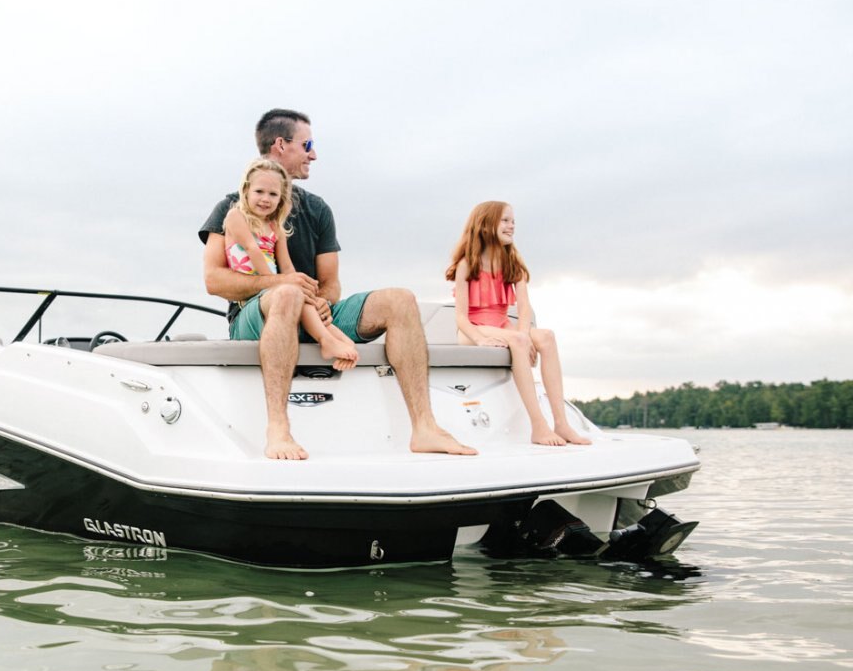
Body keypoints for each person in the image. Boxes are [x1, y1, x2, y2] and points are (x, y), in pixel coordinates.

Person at [200, 108, 475, 461]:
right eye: (307, 145)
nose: (314, 154)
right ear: (281, 145)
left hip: (314, 313)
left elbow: (330, 283)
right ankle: (278, 430)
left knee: (400, 299)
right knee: (286, 294)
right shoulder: (233, 208)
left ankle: (425, 428)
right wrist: (283, 283)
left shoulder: (318, 209)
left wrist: (322, 303)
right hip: (257, 316)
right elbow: (214, 280)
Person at [447, 202, 591, 447]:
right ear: (485, 225)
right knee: (518, 339)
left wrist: (525, 336)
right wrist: (481, 339)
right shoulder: (466, 265)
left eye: (513, 221)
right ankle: (538, 426)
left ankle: (562, 423)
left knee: (546, 336)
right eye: (505, 220)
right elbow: (460, 317)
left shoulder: (512, 261)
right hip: (473, 329)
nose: (511, 226)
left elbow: (524, 308)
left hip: (503, 325)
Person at [223, 158, 359, 372]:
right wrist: (274, 282)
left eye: (273, 194)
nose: (265, 199)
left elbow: (287, 267)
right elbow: (252, 249)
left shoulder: (275, 226)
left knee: (300, 296)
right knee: (290, 292)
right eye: (259, 192)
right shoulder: (236, 216)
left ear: (281, 199)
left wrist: (305, 290)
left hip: (275, 287)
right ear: (246, 190)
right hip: (253, 296)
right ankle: (326, 340)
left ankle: (339, 340)